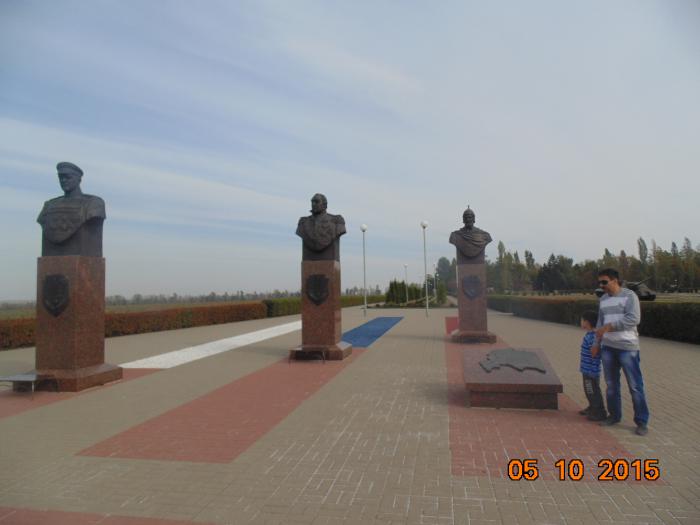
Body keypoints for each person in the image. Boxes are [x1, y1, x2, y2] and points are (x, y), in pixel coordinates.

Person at [592, 268, 649, 435]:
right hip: (608, 348)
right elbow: (600, 323)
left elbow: (633, 319)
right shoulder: (603, 299)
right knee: (611, 385)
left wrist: (610, 327)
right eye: (599, 282)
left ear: (615, 280)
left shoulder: (629, 296)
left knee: (635, 386)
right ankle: (614, 416)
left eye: (604, 282)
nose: (601, 285)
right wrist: (596, 343)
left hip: (627, 348)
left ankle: (641, 421)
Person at [578, 310, 607, 421]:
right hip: (587, 369)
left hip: (590, 371)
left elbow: (594, 352)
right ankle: (592, 407)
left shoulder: (593, 336)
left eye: (582, 320)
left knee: (592, 391)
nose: (581, 322)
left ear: (587, 322)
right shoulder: (590, 335)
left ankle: (599, 412)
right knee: (590, 390)